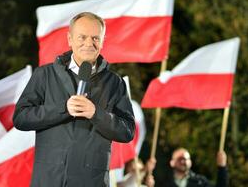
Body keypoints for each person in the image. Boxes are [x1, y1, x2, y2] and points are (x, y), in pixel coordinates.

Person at [13, 12, 136, 187]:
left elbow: (127, 131)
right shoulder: (45, 74)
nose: (89, 43)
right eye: (82, 37)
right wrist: (63, 108)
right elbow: (21, 118)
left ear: (102, 41)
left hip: (91, 182)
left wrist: (96, 113)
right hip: (49, 180)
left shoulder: (114, 83)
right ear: (70, 39)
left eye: (95, 38)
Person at [162, 148, 228, 187]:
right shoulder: (163, 183)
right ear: (172, 163)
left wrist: (222, 168)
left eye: (185, 159)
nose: (183, 162)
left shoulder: (200, 182)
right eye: (180, 159)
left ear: (190, 162)